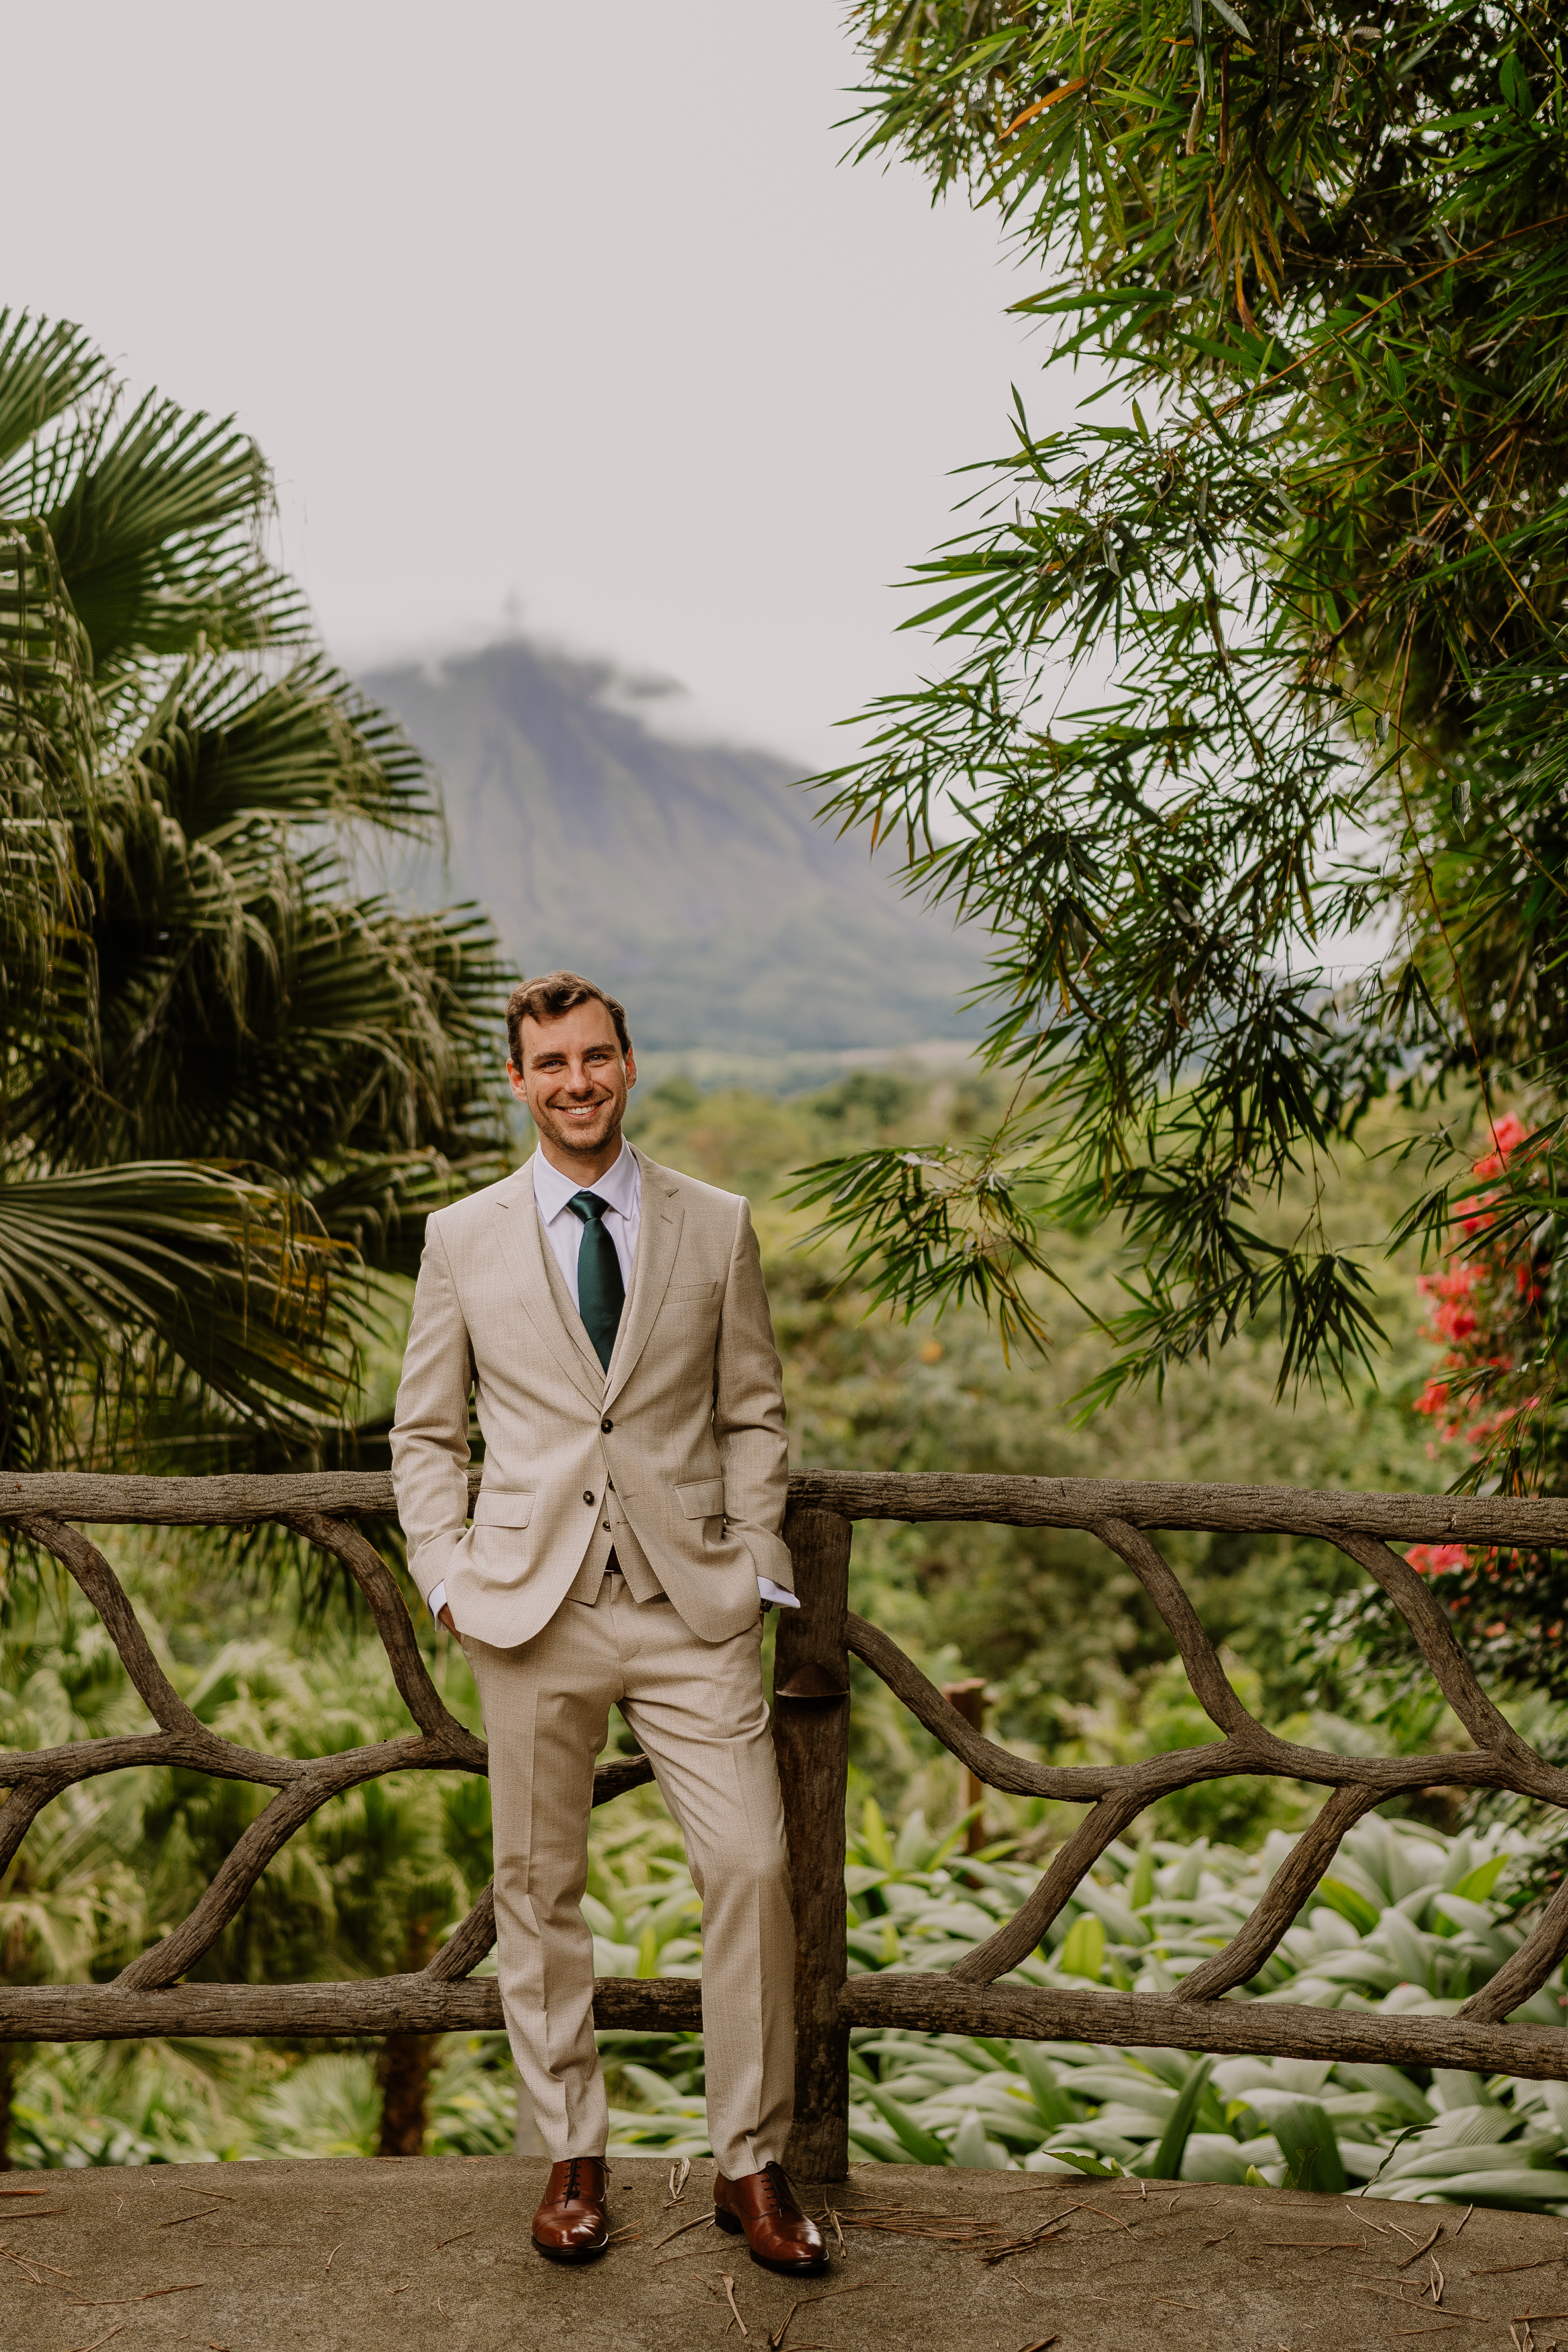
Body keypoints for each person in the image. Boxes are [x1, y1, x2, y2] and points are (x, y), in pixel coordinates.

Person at [390, 970, 825, 2274]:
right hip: (529, 1611)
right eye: (550, 1065)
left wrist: (751, 1562)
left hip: (692, 1608)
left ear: (628, 1065)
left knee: (752, 1864)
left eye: (596, 1057)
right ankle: (572, 2153)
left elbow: (754, 1411)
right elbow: (423, 1432)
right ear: (516, 1083)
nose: (575, 1081)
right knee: (539, 1889)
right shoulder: (461, 1236)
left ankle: (751, 2164)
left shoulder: (718, 1223)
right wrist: (450, 1577)